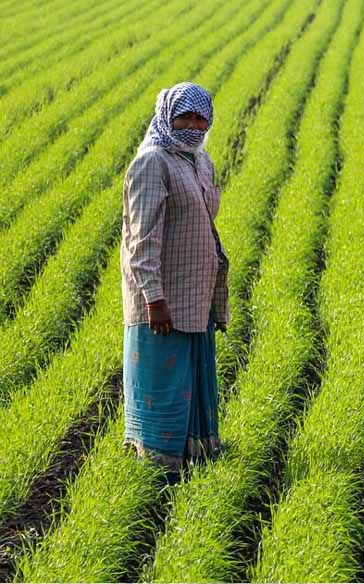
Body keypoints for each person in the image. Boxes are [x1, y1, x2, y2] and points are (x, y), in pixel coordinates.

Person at [120, 82, 229, 473]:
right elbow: (141, 239)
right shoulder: (153, 162)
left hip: (195, 292)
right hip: (163, 297)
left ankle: (194, 460)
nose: (194, 126)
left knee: (191, 377)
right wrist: (154, 298)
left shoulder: (200, 161)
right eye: (185, 117)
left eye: (201, 118)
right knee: (163, 383)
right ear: (167, 117)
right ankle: (156, 467)